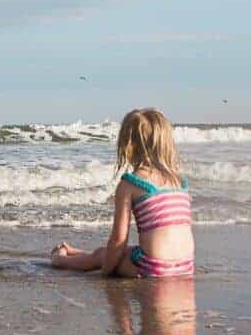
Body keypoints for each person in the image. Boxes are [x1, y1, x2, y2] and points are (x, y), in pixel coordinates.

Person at [50, 108, 194, 278]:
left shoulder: (130, 183)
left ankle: (61, 260)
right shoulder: (179, 181)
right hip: (185, 267)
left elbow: (118, 240)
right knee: (111, 252)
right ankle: (80, 253)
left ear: (128, 146)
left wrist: (105, 272)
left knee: (103, 256)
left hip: (153, 268)